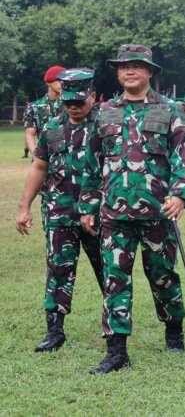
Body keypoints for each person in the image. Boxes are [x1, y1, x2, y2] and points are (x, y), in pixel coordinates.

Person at [79, 44, 185, 373]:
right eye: (123, 67)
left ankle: (173, 329)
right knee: (114, 278)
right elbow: (92, 163)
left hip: (157, 213)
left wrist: (180, 194)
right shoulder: (104, 112)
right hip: (114, 215)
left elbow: (184, 156)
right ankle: (116, 350)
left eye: (136, 66)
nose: (129, 71)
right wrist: (88, 205)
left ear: (149, 72)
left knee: (162, 275)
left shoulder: (169, 110)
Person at [15, 68, 105, 353]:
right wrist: (24, 207)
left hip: (98, 213)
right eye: (68, 102)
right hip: (59, 211)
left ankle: (114, 327)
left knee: (108, 270)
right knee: (58, 270)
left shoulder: (107, 126)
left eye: (79, 101)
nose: (73, 107)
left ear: (92, 96)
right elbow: (39, 167)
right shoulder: (52, 126)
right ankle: (55, 331)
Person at [24, 65, 67, 161]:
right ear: (48, 82)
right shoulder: (34, 107)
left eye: (65, 80)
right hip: (46, 157)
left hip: (68, 159)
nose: (62, 83)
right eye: (58, 80)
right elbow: (30, 134)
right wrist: (37, 158)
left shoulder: (71, 105)